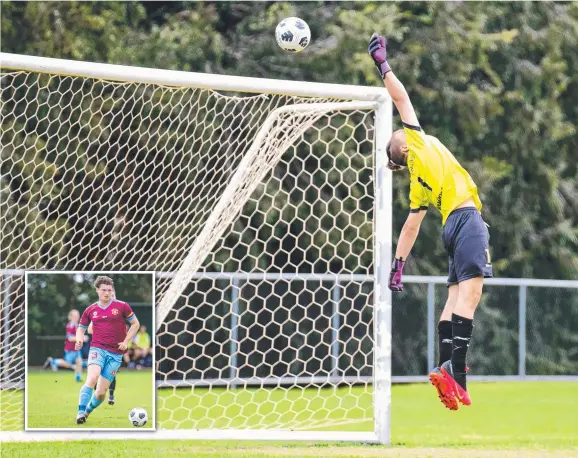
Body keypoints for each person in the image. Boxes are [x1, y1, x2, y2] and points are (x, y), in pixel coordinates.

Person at [368, 34, 493, 410]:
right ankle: (457, 373)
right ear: (404, 147)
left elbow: (411, 226)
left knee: (455, 296)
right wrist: (382, 63)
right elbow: (400, 96)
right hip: (467, 218)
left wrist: (398, 265)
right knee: (471, 295)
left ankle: (444, 366)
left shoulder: (418, 183)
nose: (403, 128)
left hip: (449, 228)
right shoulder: (417, 143)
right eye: (399, 133)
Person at [75, 276, 139, 424]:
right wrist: (79, 339)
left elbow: (135, 324)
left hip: (116, 354)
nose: (107, 293)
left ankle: (87, 412)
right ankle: (79, 412)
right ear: (97, 290)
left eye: (109, 290)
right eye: (104, 290)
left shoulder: (122, 306)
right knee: (92, 378)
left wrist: (125, 341)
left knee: (100, 393)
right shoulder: (90, 310)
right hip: (97, 348)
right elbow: (81, 329)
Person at [42, 309, 85, 382]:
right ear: (70, 317)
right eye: (75, 315)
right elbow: (70, 338)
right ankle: (53, 361)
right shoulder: (69, 326)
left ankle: (78, 378)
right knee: (68, 364)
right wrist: (82, 338)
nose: (77, 317)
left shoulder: (77, 325)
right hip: (70, 349)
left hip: (76, 349)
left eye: (77, 315)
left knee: (79, 362)